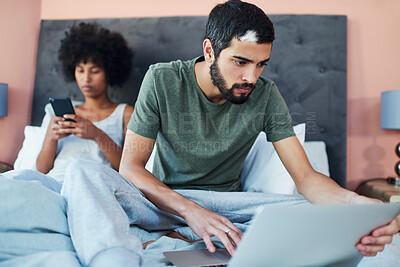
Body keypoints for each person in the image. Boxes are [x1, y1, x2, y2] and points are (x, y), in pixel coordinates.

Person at [60, 1, 399, 266]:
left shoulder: (266, 95)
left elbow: (307, 178)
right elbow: (131, 168)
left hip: (231, 207)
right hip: (164, 202)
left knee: (307, 212)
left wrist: (358, 206)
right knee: (82, 173)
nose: (251, 77)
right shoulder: (162, 80)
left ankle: (199, 239)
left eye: (261, 64)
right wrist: (192, 212)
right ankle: (115, 259)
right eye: (240, 62)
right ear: (209, 51)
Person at [34, 22, 134, 185]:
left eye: (95, 71)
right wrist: (51, 138)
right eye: (80, 70)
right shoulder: (59, 113)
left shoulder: (126, 113)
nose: (86, 78)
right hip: (53, 184)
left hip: (92, 184)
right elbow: (41, 170)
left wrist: (97, 135)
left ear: (110, 71)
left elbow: (129, 168)